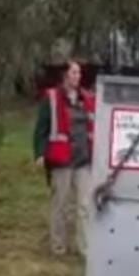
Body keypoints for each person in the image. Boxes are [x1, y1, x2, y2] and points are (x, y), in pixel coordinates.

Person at [33, 59, 95, 257]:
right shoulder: (51, 98)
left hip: (84, 160)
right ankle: (58, 246)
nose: (78, 76)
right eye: (74, 73)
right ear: (65, 76)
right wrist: (40, 153)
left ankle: (84, 248)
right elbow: (40, 129)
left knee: (84, 206)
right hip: (62, 159)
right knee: (61, 204)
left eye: (79, 73)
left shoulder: (87, 98)